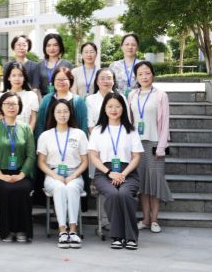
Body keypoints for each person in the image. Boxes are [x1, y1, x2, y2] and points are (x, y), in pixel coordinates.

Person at [89, 92, 144, 250]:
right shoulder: (98, 130)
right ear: (104, 109)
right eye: (110, 106)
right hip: (104, 173)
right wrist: (109, 173)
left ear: (123, 108)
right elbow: (93, 156)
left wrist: (123, 174)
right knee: (113, 194)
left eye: (117, 106)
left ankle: (131, 237)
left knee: (125, 194)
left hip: (128, 172)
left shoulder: (131, 130)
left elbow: (136, 157)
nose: (114, 110)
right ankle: (118, 236)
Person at [37, 99, 89, 249]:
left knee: (71, 187)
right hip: (52, 174)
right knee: (59, 187)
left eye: (65, 111)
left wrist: (73, 176)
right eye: (58, 111)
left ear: (70, 113)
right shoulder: (45, 135)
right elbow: (41, 162)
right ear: (53, 114)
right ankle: (62, 231)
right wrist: (56, 176)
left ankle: (73, 231)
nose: (62, 115)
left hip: (74, 173)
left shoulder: (79, 134)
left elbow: (85, 161)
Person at [0, 92, 36, 242]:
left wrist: (22, 174)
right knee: (6, 189)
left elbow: (31, 155)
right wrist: (0, 174)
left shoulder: (26, 128)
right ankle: (6, 230)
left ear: (19, 107)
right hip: (0, 173)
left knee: (22, 188)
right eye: (7, 103)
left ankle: (21, 230)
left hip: (21, 173)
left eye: (14, 104)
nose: (11, 107)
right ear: (1, 107)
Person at [129, 61, 172, 233]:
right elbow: (129, 121)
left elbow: (165, 122)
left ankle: (155, 220)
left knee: (155, 182)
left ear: (153, 74)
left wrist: (161, 146)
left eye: (147, 73)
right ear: (136, 77)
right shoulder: (132, 95)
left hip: (154, 143)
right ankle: (145, 219)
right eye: (140, 74)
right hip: (136, 145)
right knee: (142, 183)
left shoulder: (161, 95)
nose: (144, 77)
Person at [1, 62, 39, 132]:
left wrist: (27, 135)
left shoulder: (32, 96)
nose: (17, 79)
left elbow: (33, 120)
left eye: (20, 75)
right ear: (8, 78)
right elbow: (0, 119)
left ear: (24, 78)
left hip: (25, 135)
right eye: (14, 75)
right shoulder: (1, 96)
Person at [109, 33, 140, 98]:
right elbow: (109, 87)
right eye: (127, 44)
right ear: (122, 47)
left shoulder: (142, 65)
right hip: (118, 101)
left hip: (139, 100)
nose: (130, 47)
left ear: (137, 47)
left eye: (133, 45)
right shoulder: (114, 66)